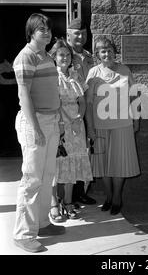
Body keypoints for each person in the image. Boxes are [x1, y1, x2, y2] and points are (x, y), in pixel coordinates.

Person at [13, 13, 65, 253]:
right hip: (35, 123)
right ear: (31, 32)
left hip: (51, 121)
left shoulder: (46, 56)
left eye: (48, 29)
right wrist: (36, 129)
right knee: (32, 179)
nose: (46, 32)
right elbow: (24, 97)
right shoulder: (25, 57)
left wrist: (58, 121)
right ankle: (23, 234)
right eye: (40, 29)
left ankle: (42, 223)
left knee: (47, 175)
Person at [85, 38, 140, 215]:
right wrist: (90, 129)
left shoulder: (124, 70)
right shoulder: (93, 73)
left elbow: (134, 96)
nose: (106, 54)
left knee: (119, 163)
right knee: (103, 165)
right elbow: (88, 104)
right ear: (97, 55)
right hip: (100, 126)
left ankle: (117, 198)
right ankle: (108, 197)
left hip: (122, 125)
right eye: (102, 51)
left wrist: (136, 119)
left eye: (109, 50)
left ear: (114, 52)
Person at [49, 38, 93, 221]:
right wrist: (66, 121)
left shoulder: (76, 76)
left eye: (68, 55)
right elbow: (54, 103)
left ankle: (67, 201)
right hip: (58, 125)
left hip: (76, 126)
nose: (65, 58)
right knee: (56, 165)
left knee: (72, 165)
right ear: (54, 57)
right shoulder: (51, 77)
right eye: (61, 55)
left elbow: (82, 101)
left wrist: (78, 118)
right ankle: (53, 204)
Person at [66, 18, 96, 206]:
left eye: (83, 33)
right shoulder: (63, 55)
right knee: (69, 153)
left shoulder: (89, 56)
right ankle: (67, 196)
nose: (80, 36)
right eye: (76, 33)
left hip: (88, 109)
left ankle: (80, 191)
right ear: (68, 35)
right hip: (70, 112)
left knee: (85, 152)